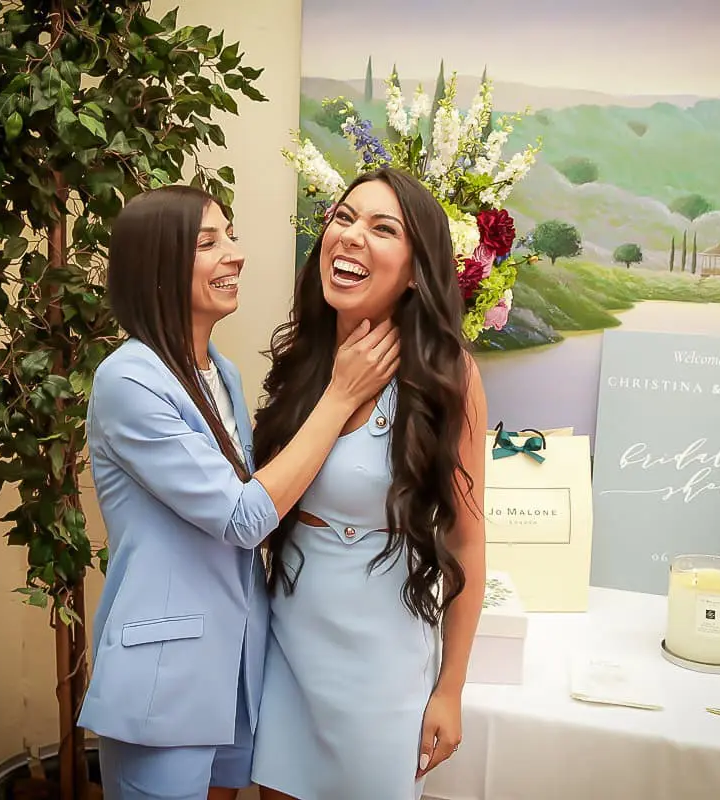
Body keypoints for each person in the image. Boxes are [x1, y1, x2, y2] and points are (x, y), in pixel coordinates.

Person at [77, 185, 400, 800]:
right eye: (208, 242)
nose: (236, 254)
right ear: (158, 269)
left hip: (238, 666)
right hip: (165, 678)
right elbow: (245, 515)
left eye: (230, 235)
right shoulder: (128, 380)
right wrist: (340, 396)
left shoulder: (221, 372)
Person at [250, 167, 488, 800]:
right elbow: (257, 507)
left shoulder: (448, 375)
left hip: (384, 668)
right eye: (344, 217)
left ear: (415, 271)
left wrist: (451, 689)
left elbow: (467, 542)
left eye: (383, 228)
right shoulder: (302, 358)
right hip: (287, 649)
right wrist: (339, 389)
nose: (351, 235)